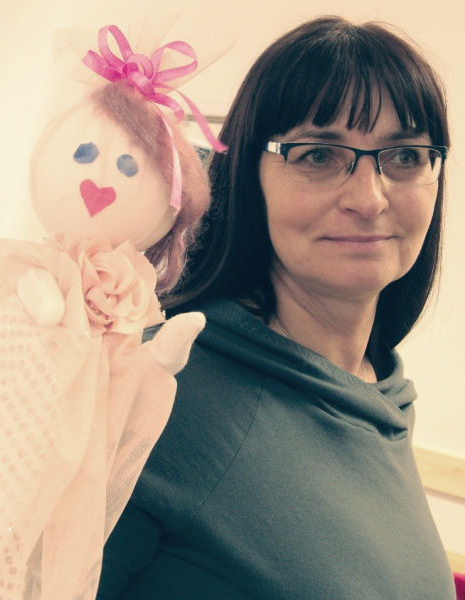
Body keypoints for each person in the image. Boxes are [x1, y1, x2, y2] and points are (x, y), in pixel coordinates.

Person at [95, 15, 457, 600]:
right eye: (318, 155)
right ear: (247, 174)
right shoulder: (160, 386)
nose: (369, 198)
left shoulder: (382, 392)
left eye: (405, 156)